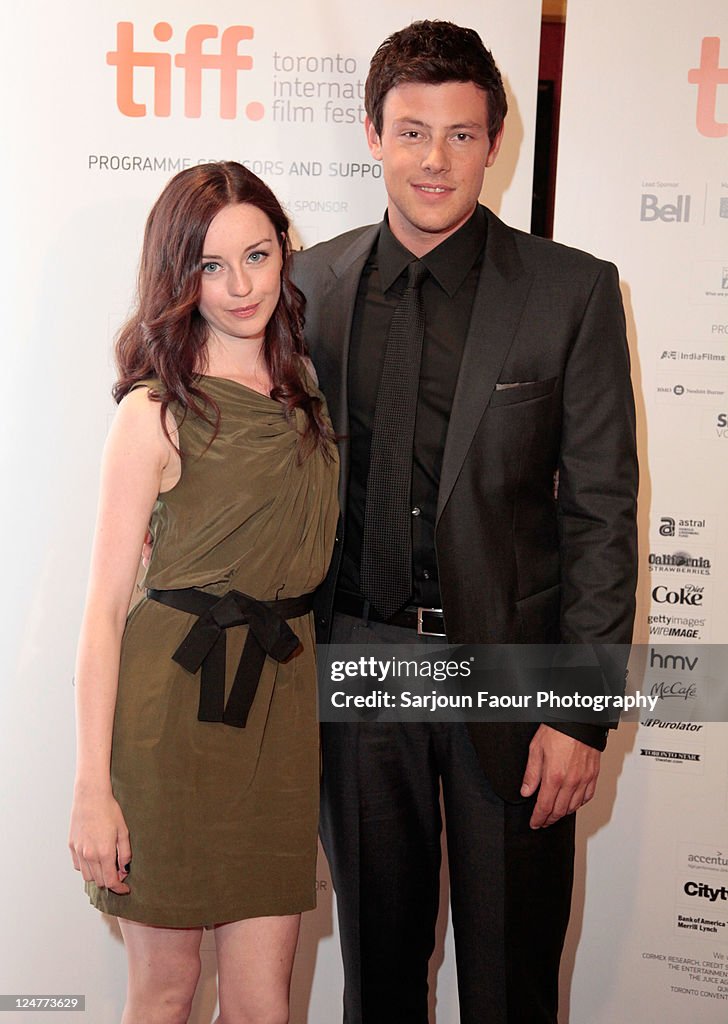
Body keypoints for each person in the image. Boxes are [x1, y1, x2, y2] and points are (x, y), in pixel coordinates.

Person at [291, 20, 638, 1024]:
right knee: (378, 981)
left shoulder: (569, 292)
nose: (433, 160)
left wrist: (576, 711)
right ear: (371, 134)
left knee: (508, 984)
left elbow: (602, 515)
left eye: (458, 135)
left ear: (494, 141)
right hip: (357, 666)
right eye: (410, 132)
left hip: (510, 679)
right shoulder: (309, 287)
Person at [68, 161, 338, 1024]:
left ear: (283, 252)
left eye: (257, 256)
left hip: (279, 717)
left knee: (265, 1002)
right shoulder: (153, 412)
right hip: (166, 724)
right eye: (210, 267)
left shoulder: (308, 396)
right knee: (167, 989)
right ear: (177, 278)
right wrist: (90, 788)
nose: (240, 286)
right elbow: (105, 611)